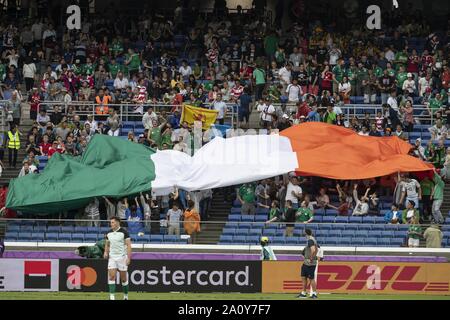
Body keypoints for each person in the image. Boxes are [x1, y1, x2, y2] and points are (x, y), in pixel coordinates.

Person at [104, 217, 131, 300]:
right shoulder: (108, 233)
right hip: (112, 258)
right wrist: (105, 252)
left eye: (112, 222)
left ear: (117, 223)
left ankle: (125, 296)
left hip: (122, 257)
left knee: (123, 279)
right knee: (112, 277)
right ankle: (112, 297)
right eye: (110, 222)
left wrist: (128, 258)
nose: (111, 224)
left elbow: (129, 245)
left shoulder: (124, 232)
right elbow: (107, 244)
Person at [297, 228, 318, 299]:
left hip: (310, 262)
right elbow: (316, 249)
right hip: (306, 262)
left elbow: (313, 249)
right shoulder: (312, 239)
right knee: (304, 277)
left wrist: (311, 258)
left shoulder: (310, 240)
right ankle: (303, 293)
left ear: (306, 233)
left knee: (311, 278)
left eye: (304, 233)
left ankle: (314, 294)